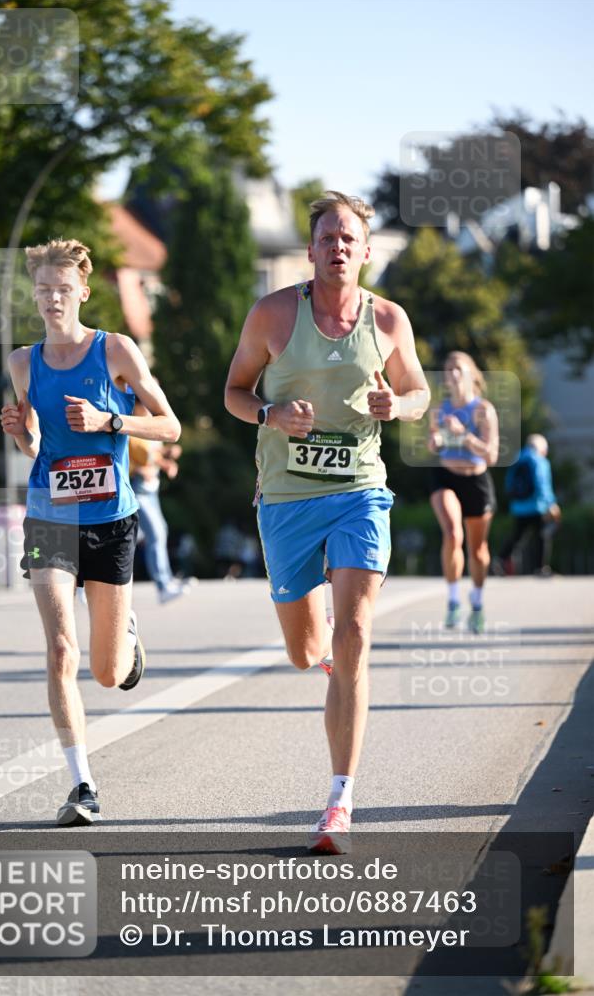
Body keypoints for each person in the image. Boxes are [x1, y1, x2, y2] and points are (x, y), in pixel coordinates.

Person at [224, 191, 430, 855]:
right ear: (310, 250)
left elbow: (420, 395)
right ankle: (324, 651)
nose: (338, 248)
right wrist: (268, 415)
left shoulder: (389, 320)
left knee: (357, 636)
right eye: (327, 238)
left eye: (349, 239)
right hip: (285, 498)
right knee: (303, 650)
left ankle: (339, 799)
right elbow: (233, 391)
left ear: (366, 251)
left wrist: (394, 405)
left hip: (359, 492)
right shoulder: (273, 315)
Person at [0, 238, 180, 827]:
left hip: (109, 520)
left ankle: (124, 632)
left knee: (107, 671)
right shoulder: (23, 362)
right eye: (42, 291)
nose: (52, 299)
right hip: (50, 513)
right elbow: (34, 444)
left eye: (62, 289)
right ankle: (82, 784)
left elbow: (170, 426)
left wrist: (112, 420)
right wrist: (18, 432)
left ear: (82, 290)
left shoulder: (116, 350)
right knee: (59, 648)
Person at [427, 351, 499, 634]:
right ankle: (454, 598)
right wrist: (435, 440)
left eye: (457, 368)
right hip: (445, 476)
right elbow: (434, 444)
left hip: (476, 480)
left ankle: (477, 602)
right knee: (453, 533)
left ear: (471, 373)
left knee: (478, 551)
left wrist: (464, 434)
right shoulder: (439, 409)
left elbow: (491, 455)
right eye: (447, 369)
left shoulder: (484, 410)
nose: (452, 374)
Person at [128, 430, 190, 603]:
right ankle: (163, 586)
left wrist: (165, 455)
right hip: (137, 487)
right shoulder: (132, 424)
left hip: (150, 489)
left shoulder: (152, 425)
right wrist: (164, 458)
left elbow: (150, 454)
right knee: (155, 534)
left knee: (156, 532)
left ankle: (167, 581)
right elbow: (141, 454)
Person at [500, 433, 561, 575]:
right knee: (542, 536)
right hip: (537, 506)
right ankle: (540, 568)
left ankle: (501, 559)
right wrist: (551, 503)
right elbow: (542, 484)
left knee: (517, 536)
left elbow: (508, 484)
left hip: (519, 506)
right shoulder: (539, 461)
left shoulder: (517, 458)